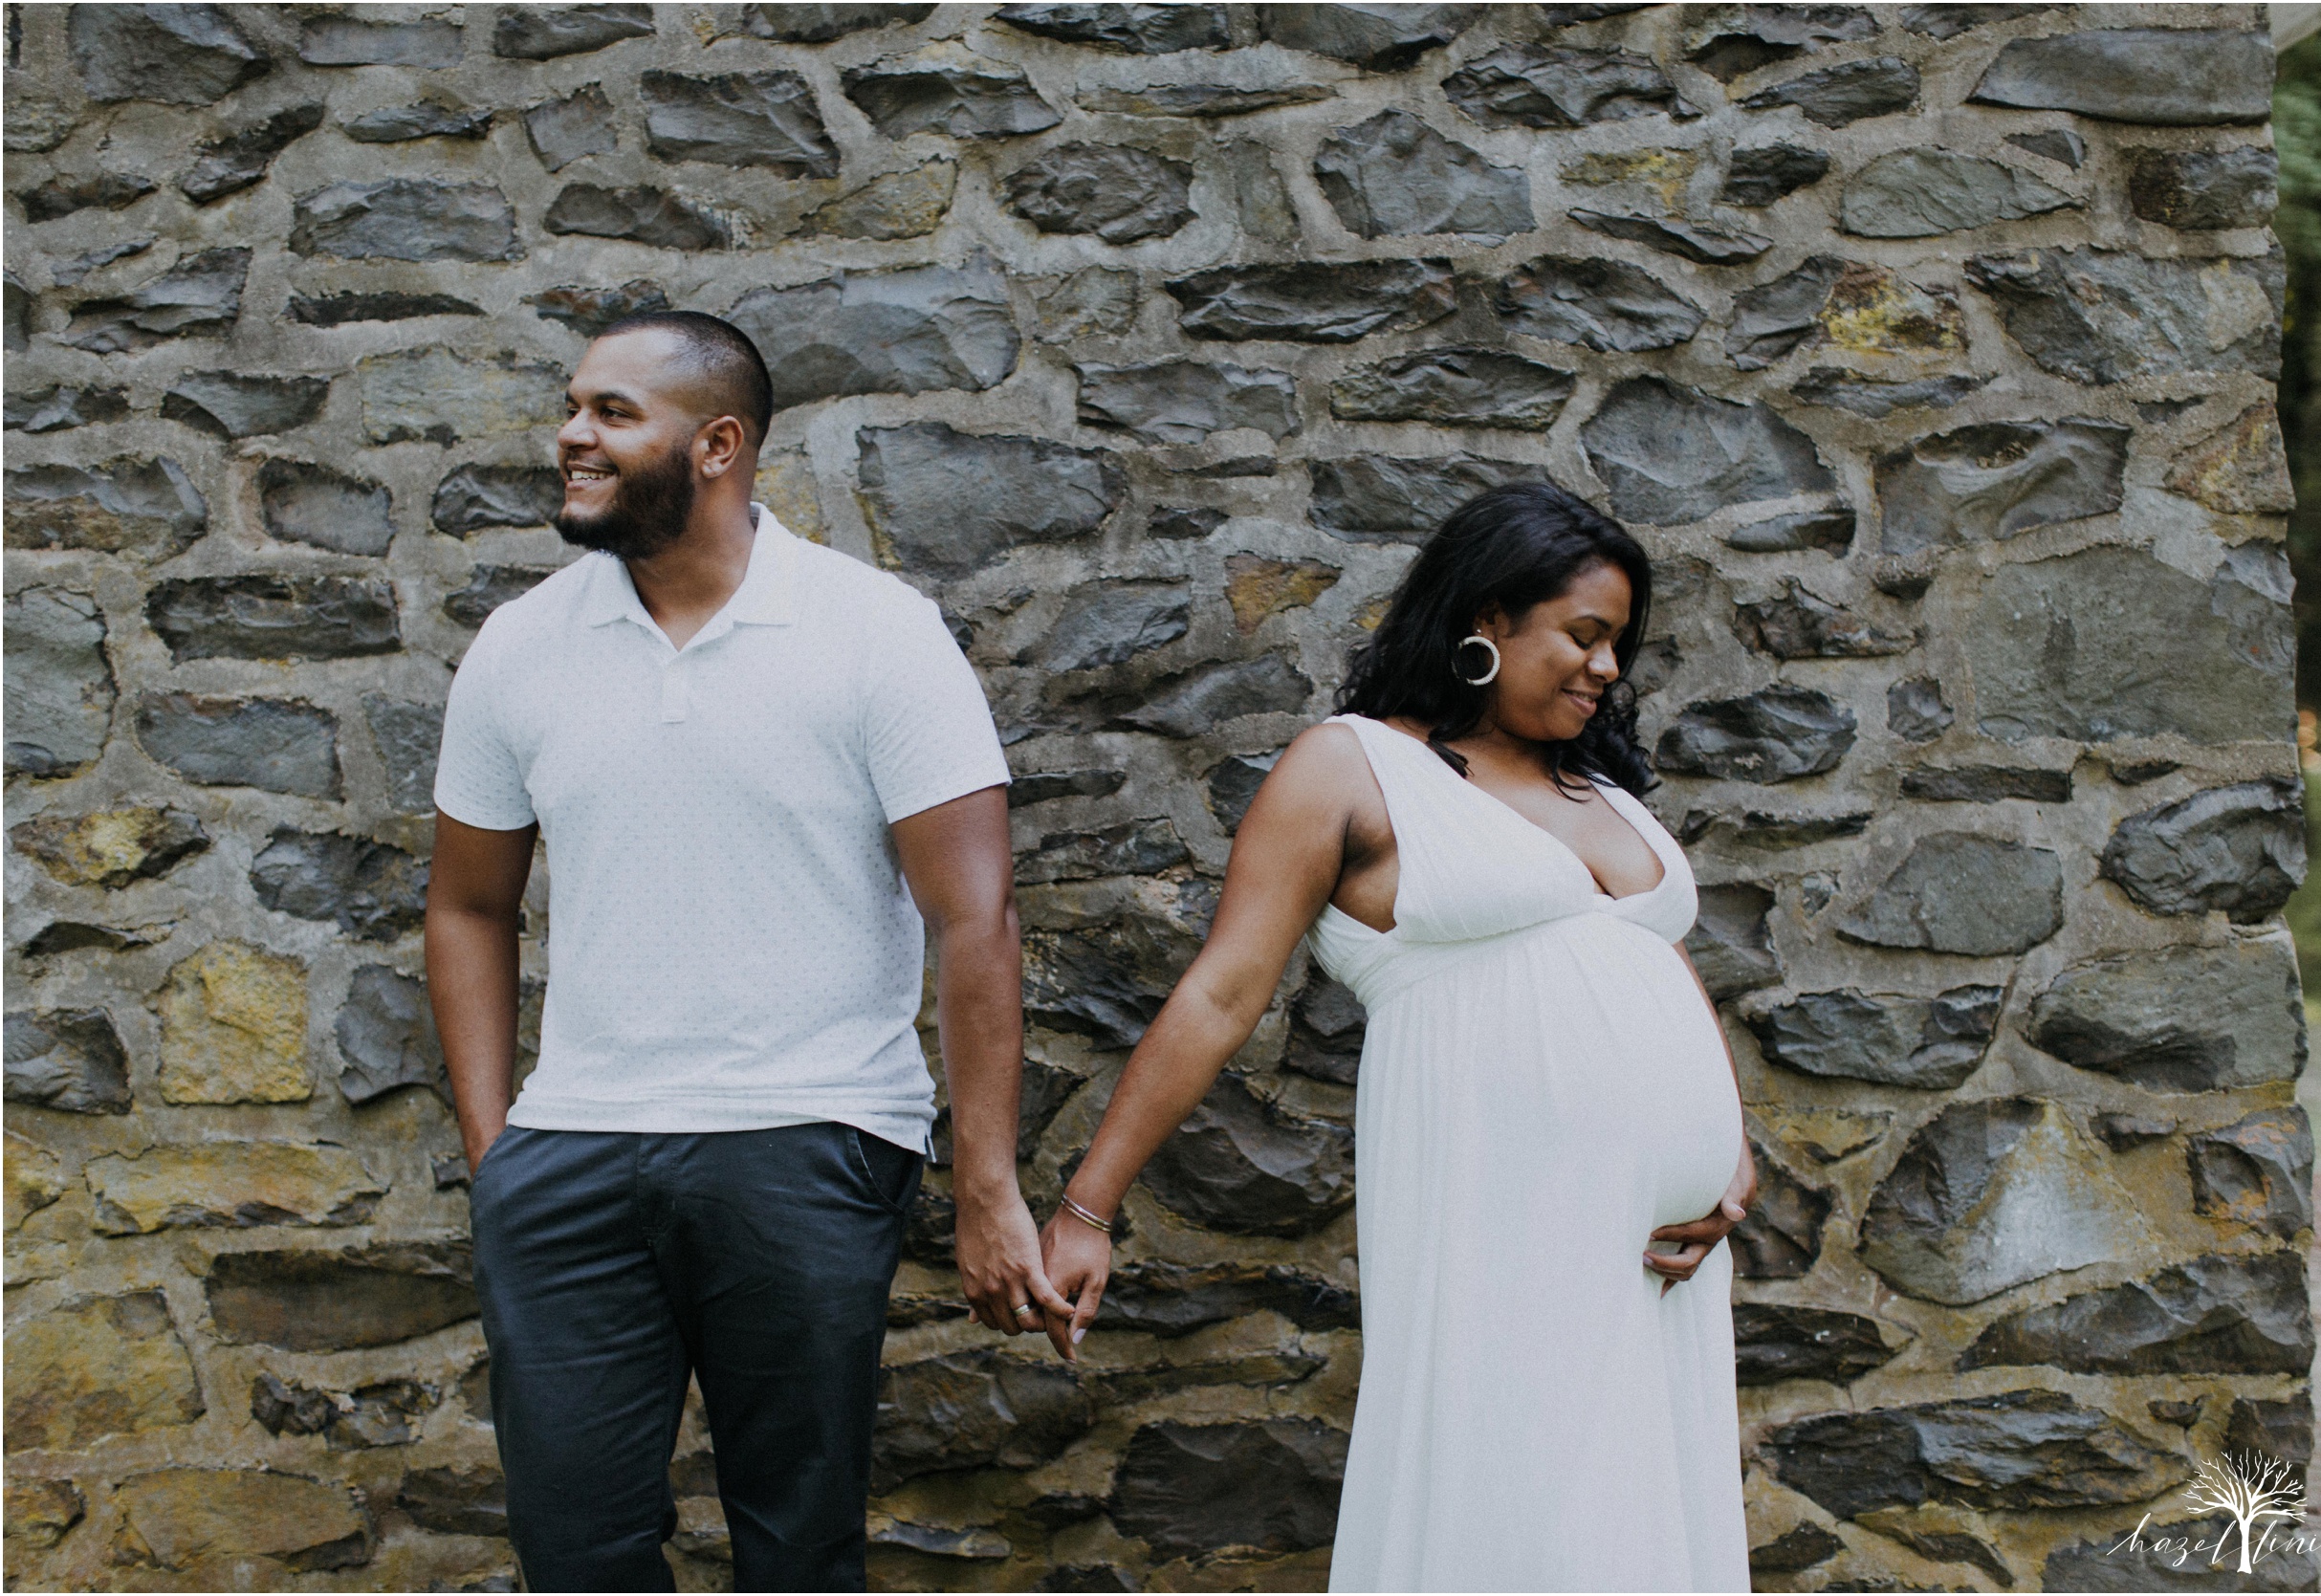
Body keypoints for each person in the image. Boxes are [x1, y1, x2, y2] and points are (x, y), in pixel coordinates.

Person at [426, 311, 1075, 1592]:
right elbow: (467, 905)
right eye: (575, 406)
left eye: (615, 413)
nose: (573, 434)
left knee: (796, 1544)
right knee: (574, 1551)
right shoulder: (521, 647)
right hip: (573, 1155)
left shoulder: (875, 631)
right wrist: (497, 1148)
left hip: (808, 1135)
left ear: (719, 444)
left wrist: (988, 1186)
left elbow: (975, 919)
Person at [1038, 483, 1759, 1592]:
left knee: (1638, 1505)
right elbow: (1222, 994)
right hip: (1502, 1203)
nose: (1608, 669)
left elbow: (1649, 951)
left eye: (1620, 644)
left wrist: (1729, 1147)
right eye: (1584, 635)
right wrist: (1088, 1205)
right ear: (1486, 621)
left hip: (1659, 1247)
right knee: (1526, 1492)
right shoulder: (1351, 766)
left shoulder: (1595, 781)